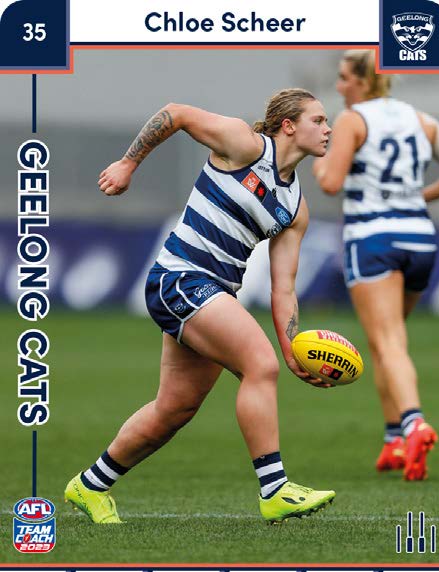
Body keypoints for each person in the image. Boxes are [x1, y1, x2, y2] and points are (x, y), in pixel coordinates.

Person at [64, 89, 336, 524]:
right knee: (258, 365)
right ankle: (275, 490)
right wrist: (128, 164)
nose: (327, 129)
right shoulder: (243, 144)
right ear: (288, 126)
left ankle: (90, 485)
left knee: (174, 409)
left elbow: (284, 288)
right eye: (318, 120)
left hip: (213, 293)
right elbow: (175, 113)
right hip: (180, 278)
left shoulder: (294, 207)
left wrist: (292, 351)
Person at [313, 50, 439, 481]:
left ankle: (413, 423)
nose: (339, 86)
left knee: (388, 342)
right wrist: (418, 197)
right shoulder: (421, 120)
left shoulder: (352, 120)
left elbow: (331, 183)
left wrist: (317, 160)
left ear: (362, 80)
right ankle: (394, 439)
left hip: (374, 238)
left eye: (343, 77)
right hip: (420, 239)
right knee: (388, 342)